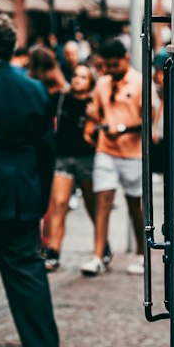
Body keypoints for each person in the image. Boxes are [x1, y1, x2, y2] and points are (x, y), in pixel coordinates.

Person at [0, 14, 62, 347]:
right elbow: (44, 151)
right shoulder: (34, 89)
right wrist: (41, 196)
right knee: (27, 274)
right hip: (20, 192)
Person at [81, 38, 146, 276]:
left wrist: (123, 130)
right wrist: (91, 125)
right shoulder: (102, 84)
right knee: (103, 202)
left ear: (125, 59)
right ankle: (98, 255)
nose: (109, 70)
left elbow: (149, 121)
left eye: (114, 65)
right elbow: (95, 113)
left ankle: (141, 253)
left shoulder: (140, 83)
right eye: (106, 65)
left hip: (133, 153)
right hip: (106, 150)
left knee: (135, 206)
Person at [42, 64, 108, 273]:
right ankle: (53, 251)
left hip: (87, 159)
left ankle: (103, 248)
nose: (78, 80)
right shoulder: (61, 99)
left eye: (83, 77)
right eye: (76, 76)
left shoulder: (94, 103)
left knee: (92, 207)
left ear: (90, 81)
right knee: (59, 203)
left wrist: (96, 117)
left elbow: (103, 127)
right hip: (62, 157)